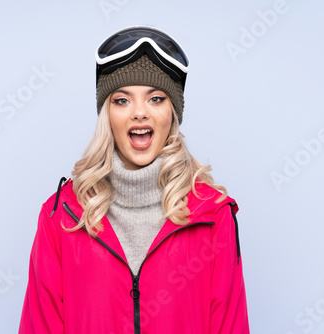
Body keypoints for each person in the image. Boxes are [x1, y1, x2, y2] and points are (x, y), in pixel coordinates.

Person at [19, 25, 249, 333]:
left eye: (155, 98)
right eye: (122, 100)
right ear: (107, 115)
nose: (139, 113)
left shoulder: (212, 216)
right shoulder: (60, 217)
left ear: (173, 112)